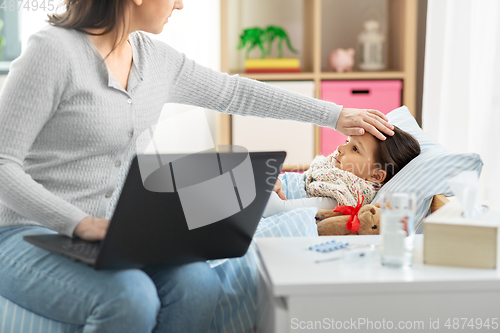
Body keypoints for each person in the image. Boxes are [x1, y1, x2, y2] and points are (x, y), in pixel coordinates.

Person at [0, 0, 395, 331]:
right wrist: (79, 222)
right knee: (131, 298)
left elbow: (237, 92)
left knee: (199, 285)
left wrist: (336, 115)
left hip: (110, 237)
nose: (180, 4)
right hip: (26, 232)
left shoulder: (155, 60)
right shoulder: (53, 51)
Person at [263, 126, 421, 217]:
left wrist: (260, 181)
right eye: (347, 141)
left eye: (355, 149)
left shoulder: (339, 197)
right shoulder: (327, 175)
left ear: (376, 175)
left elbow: (275, 209)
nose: (339, 148)